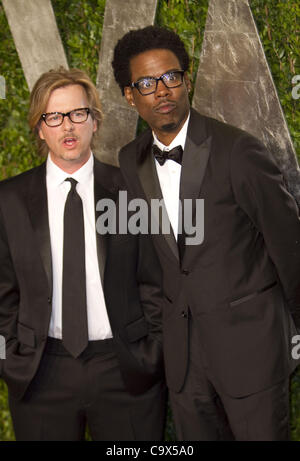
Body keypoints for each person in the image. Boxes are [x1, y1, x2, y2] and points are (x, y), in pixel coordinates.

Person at [112, 25, 300, 441]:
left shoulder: (238, 151)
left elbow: (290, 247)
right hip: (183, 364)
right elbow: (151, 259)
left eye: (171, 77)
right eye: (146, 83)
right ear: (129, 96)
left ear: (187, 79)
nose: (162, 91)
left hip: (251, 352)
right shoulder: (130, 161)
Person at [0, 67, 166, 441]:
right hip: (41, 374)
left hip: (125, 371)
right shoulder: (8, 200)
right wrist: (11, 358)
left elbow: (156, 282)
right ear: (40, 128)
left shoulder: (131, 192)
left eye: (78, 114)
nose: (67, 127)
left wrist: (151, 353)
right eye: (54, 117)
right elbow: (2, 293)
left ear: (94, 121)